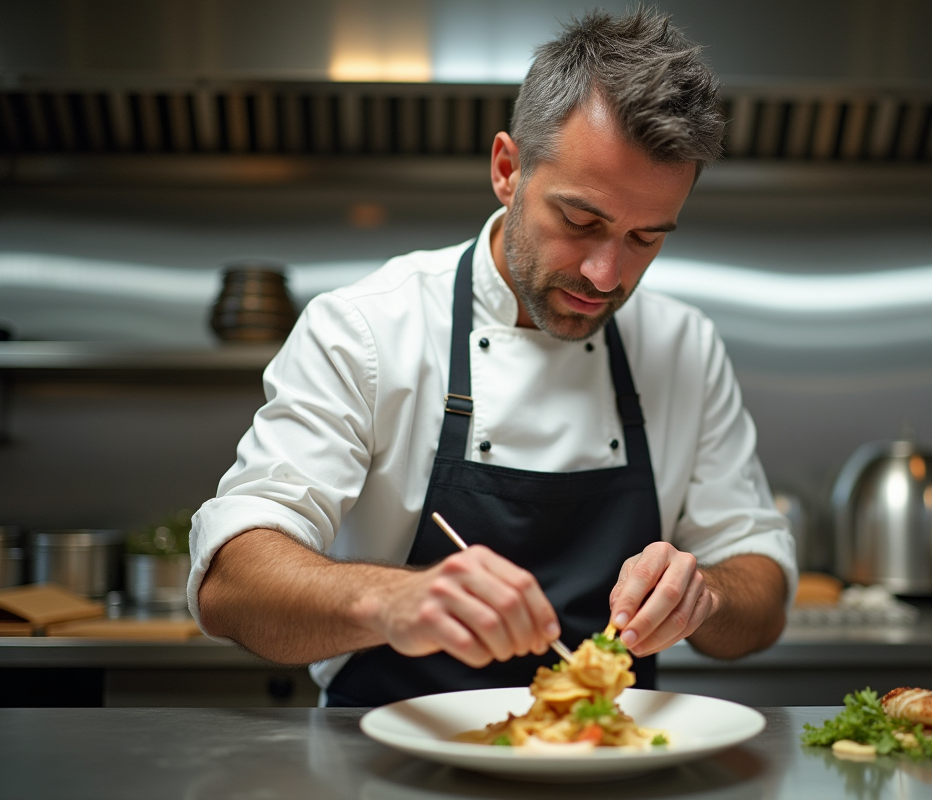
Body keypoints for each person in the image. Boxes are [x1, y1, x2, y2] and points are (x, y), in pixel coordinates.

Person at [190, 7, 797, 707]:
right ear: (508, 170)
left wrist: (708, 596)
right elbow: (231, 584)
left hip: (609, 763)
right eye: (580, 221)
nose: (606, 274)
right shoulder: (364, 328)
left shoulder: (684, 348)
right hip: (386, 767)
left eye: (646, 238)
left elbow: (764, 591)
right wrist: (392, 601)